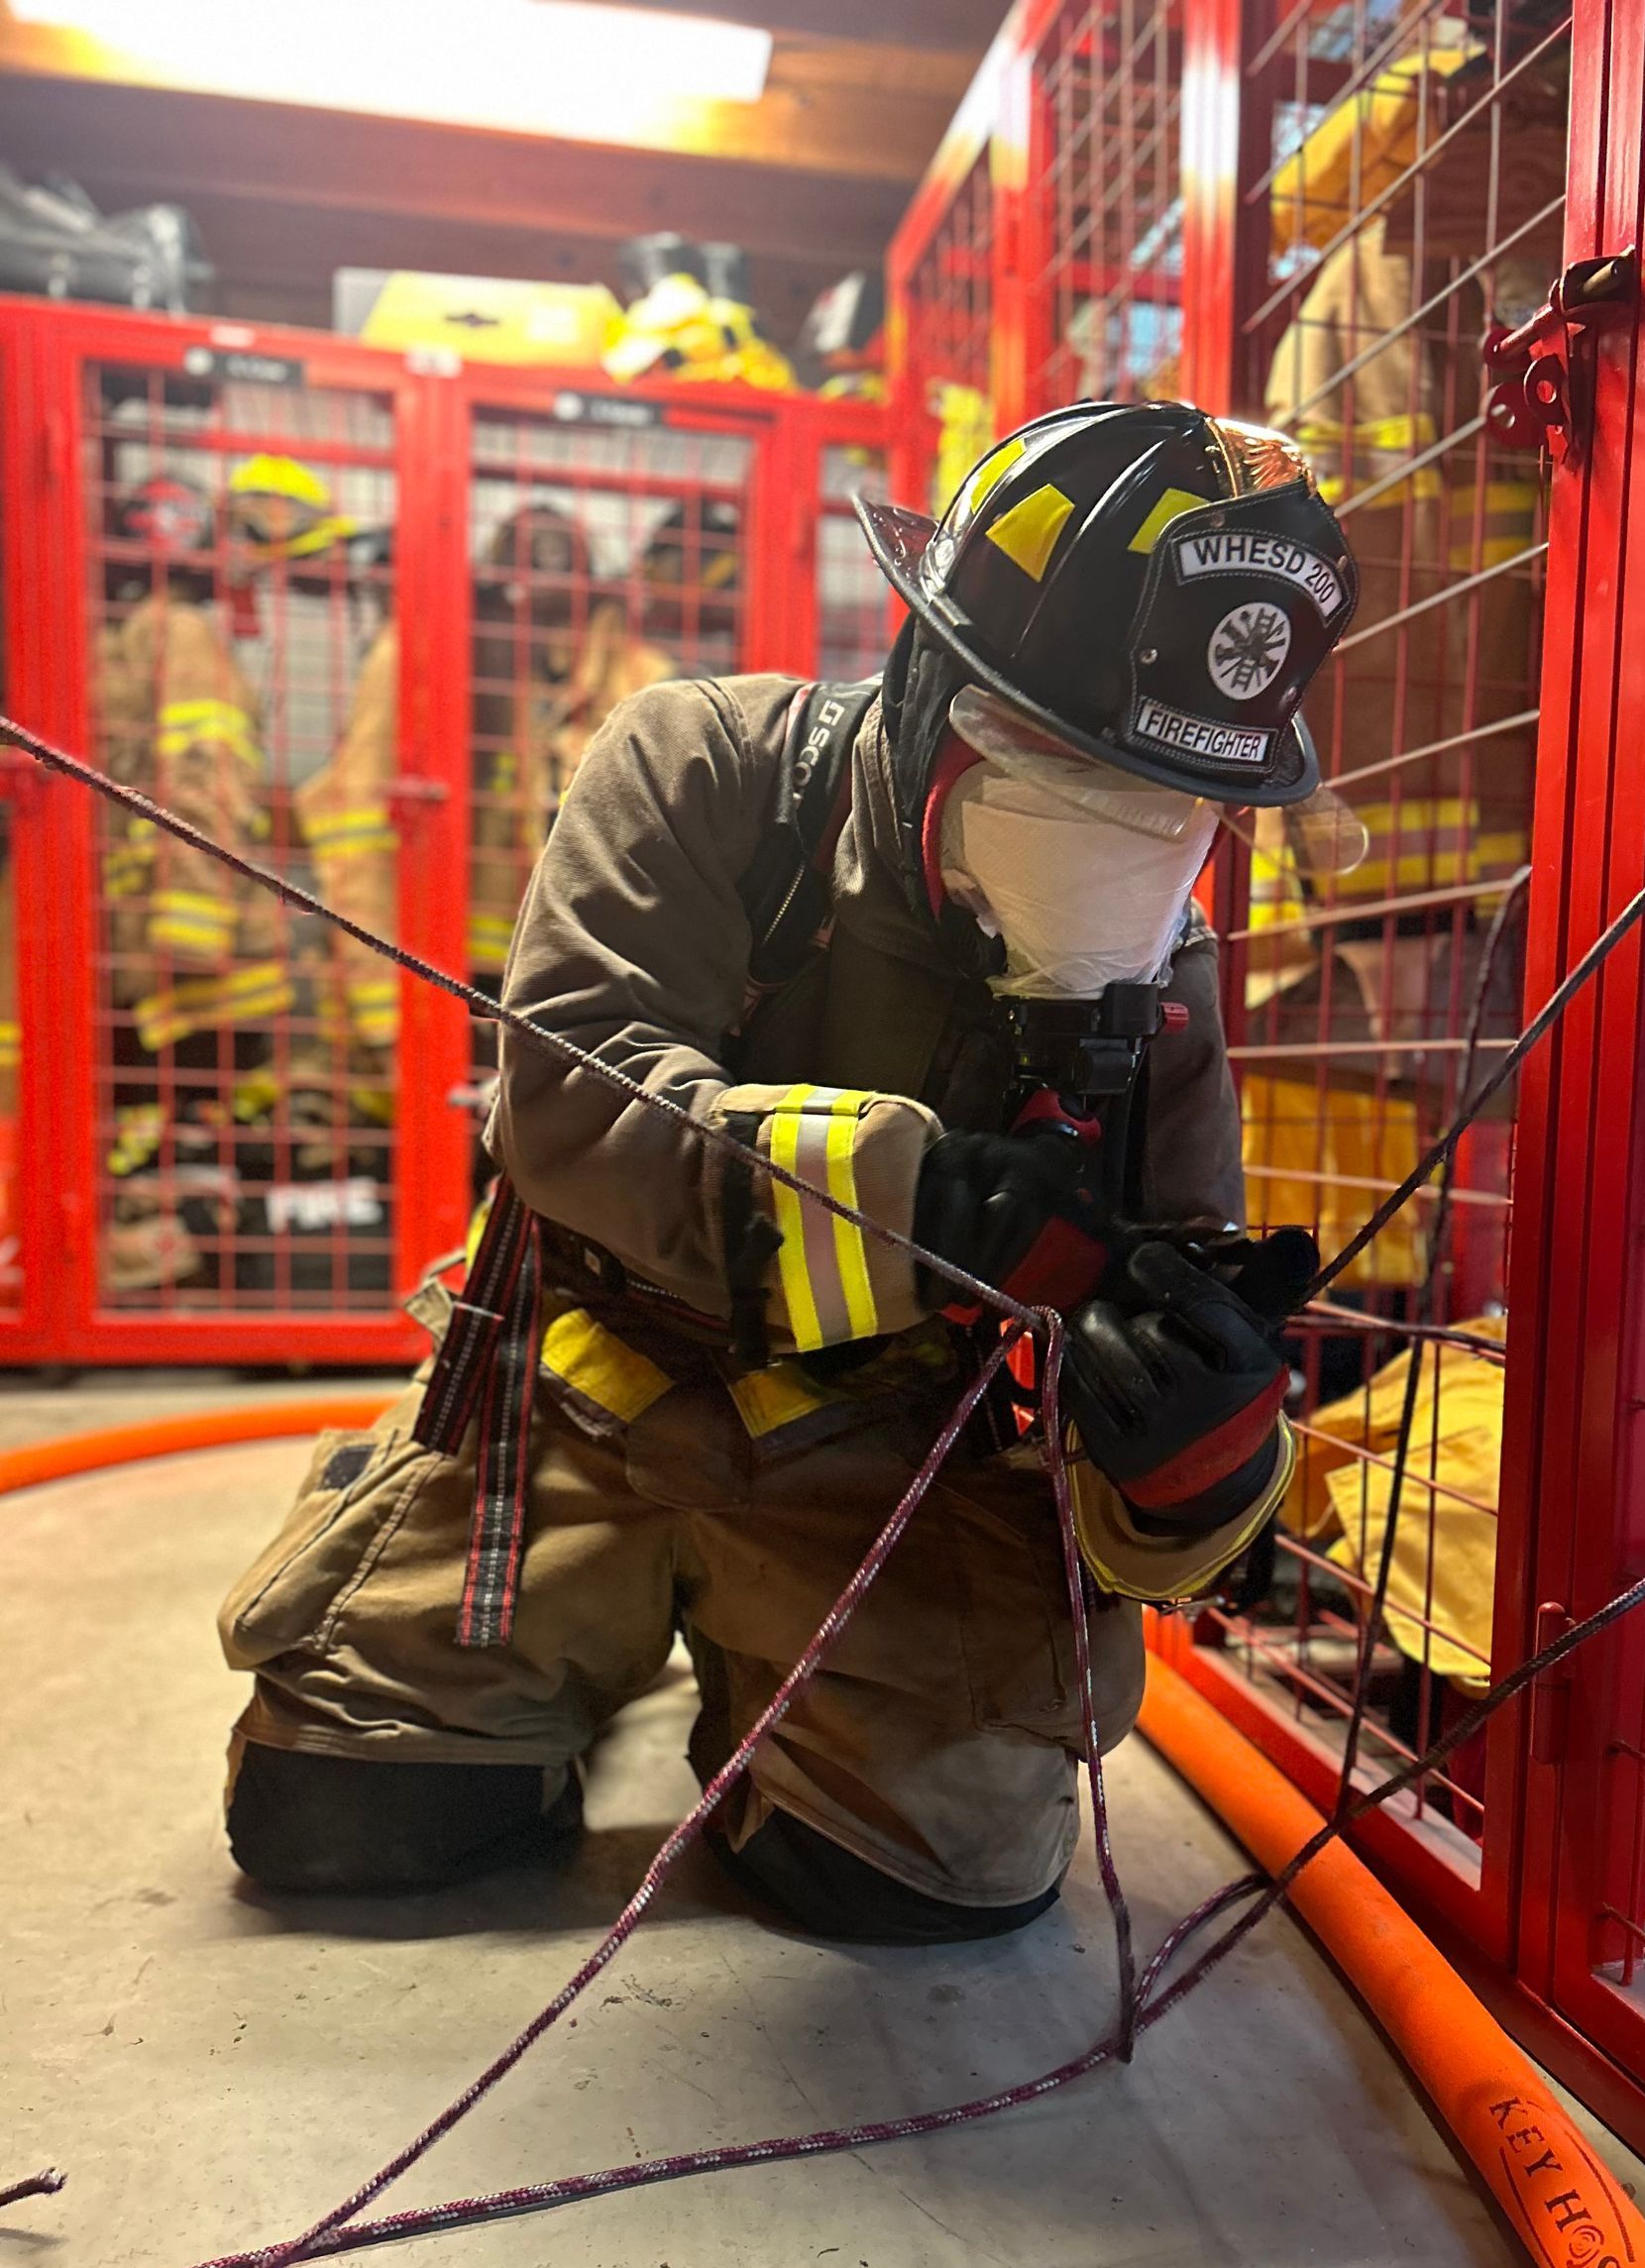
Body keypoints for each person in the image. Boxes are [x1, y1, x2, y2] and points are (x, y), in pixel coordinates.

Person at [217, 398, 1359, 1941]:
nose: (1120, 850)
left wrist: (1198, 1448)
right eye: (1067, 778)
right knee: (351, 1820)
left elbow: (1160, 1339)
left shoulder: (1161, 983)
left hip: (879, 1459)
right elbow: (566, 1097)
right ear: (930, 687)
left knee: (917, 1886)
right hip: (583, 1401)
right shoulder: (708, 772)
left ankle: (782, 1703)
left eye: (1167, 812)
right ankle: (562, 1652)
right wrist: (917, 1200)